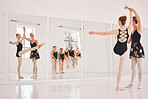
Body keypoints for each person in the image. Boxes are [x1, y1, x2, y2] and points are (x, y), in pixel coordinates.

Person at [89, 5, 133, 91]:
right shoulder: (128, 29)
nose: (117, 22)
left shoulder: (117, 31)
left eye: (118, 21)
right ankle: (117, 86)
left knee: (115, 37)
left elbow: (105, 33)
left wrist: (94, 32)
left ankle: (117, 86)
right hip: (123, 51)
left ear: (120, 22)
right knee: (120, 70)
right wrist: (130, 11)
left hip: (116, 49)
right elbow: (131, 21)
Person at [125, 6, 145, 89]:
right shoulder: (132, 31)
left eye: (131, 21)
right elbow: (128, 41)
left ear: (134, 21)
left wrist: (132, 10)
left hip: (138, 49)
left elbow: (139, 18)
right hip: (133, 49)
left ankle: (140, 83)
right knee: (132, 67)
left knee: (139, 67)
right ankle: (131, 83)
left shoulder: (138, 28)